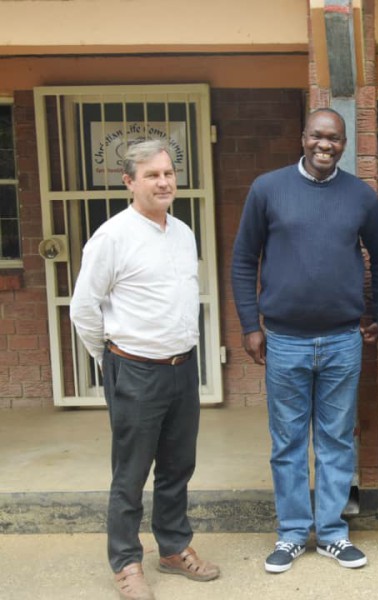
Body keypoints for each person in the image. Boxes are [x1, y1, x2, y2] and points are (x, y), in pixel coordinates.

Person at [231, 108, 378, 572]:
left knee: (337, 439)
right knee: (287, 441)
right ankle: (292, 533)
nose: (326, 145)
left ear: (344, 144)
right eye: (318, 136)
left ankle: (333, 533)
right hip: (284, 340)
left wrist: (377, 312)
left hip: (343, 339)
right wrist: (249, 324)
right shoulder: (268, 189)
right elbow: (244, 260)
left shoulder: (360, 196)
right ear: (303, 137)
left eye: (335, 138)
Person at [70, 140, 220, 600]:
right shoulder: (112, 237)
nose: (164, 181)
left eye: (169, 172)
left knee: (178, 466)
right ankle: (126, 561)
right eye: (152, 174)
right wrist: (111, 358)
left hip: (181, 369)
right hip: (134, 369)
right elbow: (83, 309)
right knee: (131, 472)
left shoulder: (182, 232)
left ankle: (173, 548)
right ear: (129, 182)